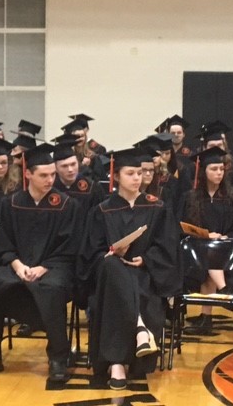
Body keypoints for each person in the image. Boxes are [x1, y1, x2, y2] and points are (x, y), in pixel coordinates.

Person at [0, 143, 82, 383]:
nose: (50, 180)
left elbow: (70, 245)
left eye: (52, 175)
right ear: (28, 174)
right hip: (17, 266)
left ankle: (58, 358)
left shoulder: (68, 205)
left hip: (54, 267)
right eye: (44, 175)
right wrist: (17, 265)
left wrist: (43, 267)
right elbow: (3, 242)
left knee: (52, 287)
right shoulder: (12, 203)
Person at [78, 148, 182, 389]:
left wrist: (145, 259)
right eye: (130, 173)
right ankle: (139, 331)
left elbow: (168, 247)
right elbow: (89, 253)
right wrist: (112, 253)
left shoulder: (157, 207)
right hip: (108, 275)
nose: (137, 178)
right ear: (116, 176)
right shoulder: (102, 210)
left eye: (141, 173)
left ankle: (116, 364)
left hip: (145, 274)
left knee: (125, 287)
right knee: (111, 265)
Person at [181, 147, 233, 334]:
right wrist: (204, 235)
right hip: (197, 252)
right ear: (203, 172)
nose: (219, 173)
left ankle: (208, 316)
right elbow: (183, 226)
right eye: (214, 169)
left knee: (212, 255)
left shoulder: (232, 197)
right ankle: (224, 291)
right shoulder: (191, 198)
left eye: (221, 169)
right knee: (207, 254)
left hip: (228, 250)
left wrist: (226, 237)